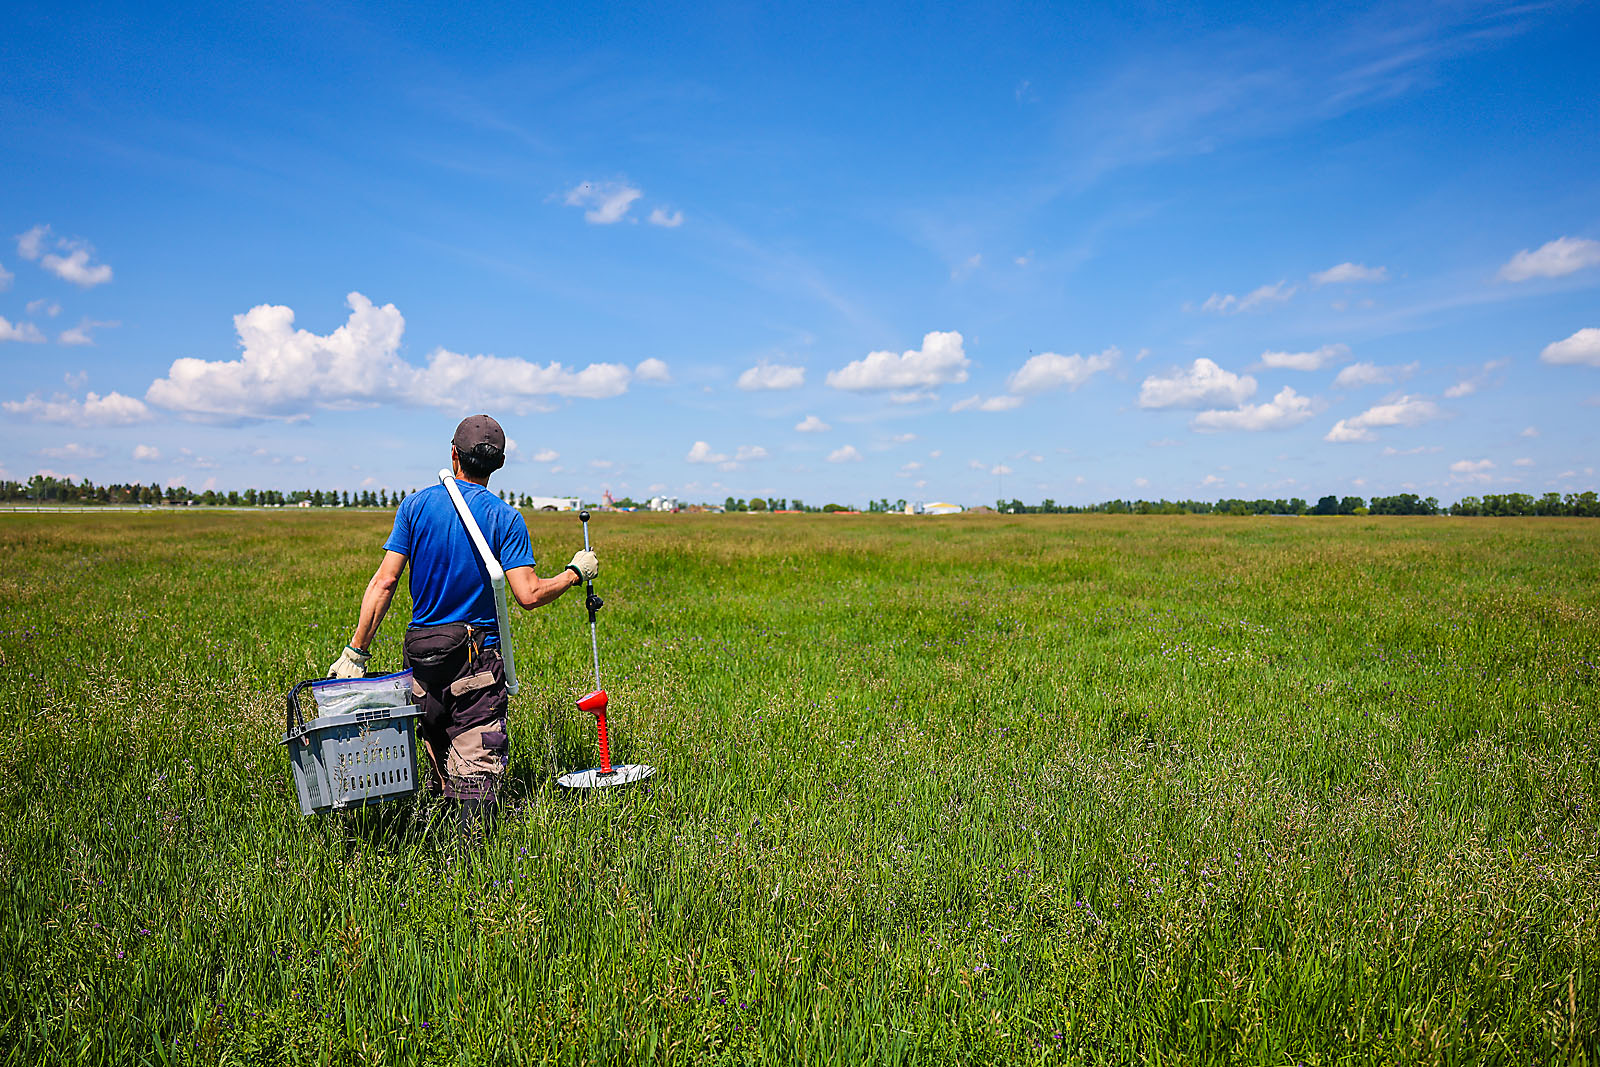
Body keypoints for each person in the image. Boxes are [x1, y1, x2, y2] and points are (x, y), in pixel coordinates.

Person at [327, 414, 597, 837]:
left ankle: (430, 843)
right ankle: (471, 864)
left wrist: (356, 652)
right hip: (476, 661)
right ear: (498, 464)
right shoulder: (505, 517)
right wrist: (574, 573)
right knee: (475, 775)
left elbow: (385, 582)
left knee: (435, 752)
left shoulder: (415, 506)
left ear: (453, 453)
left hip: (422, 659)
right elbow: (528, 594)